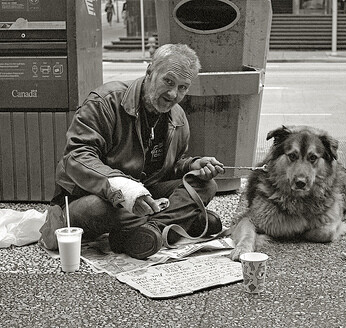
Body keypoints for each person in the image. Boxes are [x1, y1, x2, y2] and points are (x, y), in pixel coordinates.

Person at [39, 44, 225, 260]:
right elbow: (77, 156)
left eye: (183, 87)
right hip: (92, 196)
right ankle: (177, 222)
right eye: (168, 81)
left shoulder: (178, 117)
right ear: (149, 72)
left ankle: (147, 231)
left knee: (205, 185)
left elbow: (168, 167)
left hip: (145, 195)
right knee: (101, 208)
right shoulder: (105, 102)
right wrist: (123, 187)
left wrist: (192, 165)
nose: (174, 94)